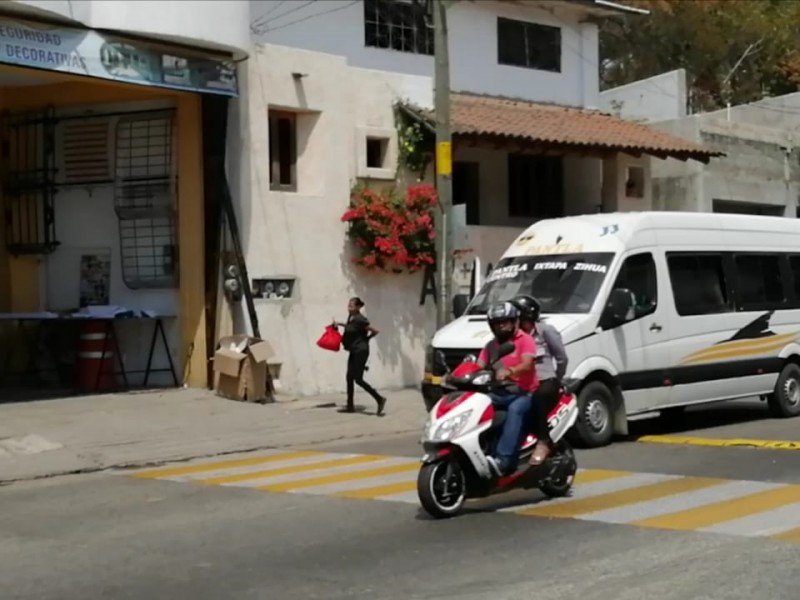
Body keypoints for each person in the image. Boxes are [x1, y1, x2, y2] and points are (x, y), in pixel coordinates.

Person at [476, 301, 539, 476]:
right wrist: (456, 376)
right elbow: (478, 366)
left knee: (515, 409)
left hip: (523, 393)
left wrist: (510, 371)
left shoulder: (525, 340)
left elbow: (527, 365)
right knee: (476, 405)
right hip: (498, 393)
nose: (501, 325)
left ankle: (503, 459)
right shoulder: (490, 346)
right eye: (497, 323)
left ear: (514, 322)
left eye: (505, 321)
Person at [510, 295, 568, 466]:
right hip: (523, 384)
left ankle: (543, 441)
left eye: (519, 319)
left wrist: (557, 379)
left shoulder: (545, 331)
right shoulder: (514, 338)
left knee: (539, 398)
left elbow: (562, 358)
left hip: (546, 381)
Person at [333, 297, 387, 416]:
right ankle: (350, 405)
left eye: (352, 306)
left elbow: (375, 330)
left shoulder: (361, 320)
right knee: (349, 377)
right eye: (349, 306)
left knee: (358, 379)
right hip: (354, 350)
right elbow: (350, 327)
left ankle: (379, 399)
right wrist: (340, 324)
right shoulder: (352, 318)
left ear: (358, 308)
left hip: (360, 352)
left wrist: (366, 339)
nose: (349, 308)